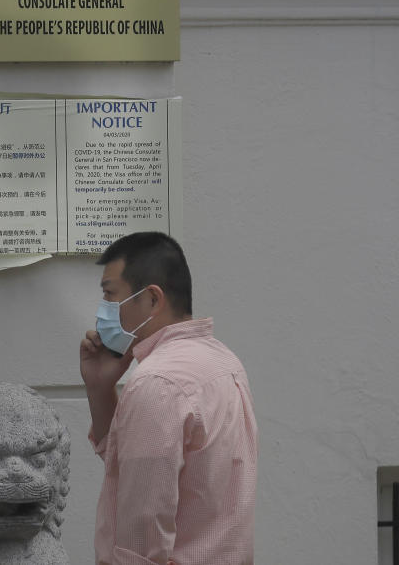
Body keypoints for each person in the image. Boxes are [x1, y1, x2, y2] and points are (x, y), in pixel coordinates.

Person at [79, 232, 258, 565]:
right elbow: (134, 466)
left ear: (151, 299)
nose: (104, 311)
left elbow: (142, 538)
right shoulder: (224, 363)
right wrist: (100, 388)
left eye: (110, 295)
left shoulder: (158, 383)